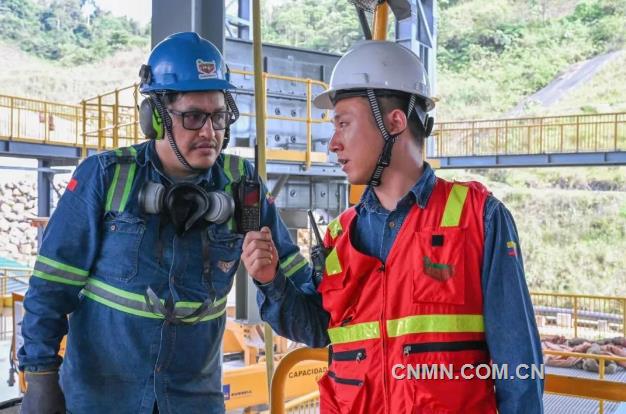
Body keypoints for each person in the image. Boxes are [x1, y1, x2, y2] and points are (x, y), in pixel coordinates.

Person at [243, 40, 544, 413]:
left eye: (344, 124)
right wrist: (271, 280)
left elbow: (518, 363)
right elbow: (318, 328)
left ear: (395, 122)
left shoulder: (479, 219)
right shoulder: (340, 236)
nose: (333, 144)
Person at [18, 32, 310, 414]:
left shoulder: (242, 185)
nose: (209, 132)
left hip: (194, 403)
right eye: (192, 117)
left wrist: (285, 286)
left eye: (219, 116)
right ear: (156, 118)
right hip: (101, 402)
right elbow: (50, 287)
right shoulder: (105, 178)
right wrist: (41, 378)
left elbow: (300, 295)